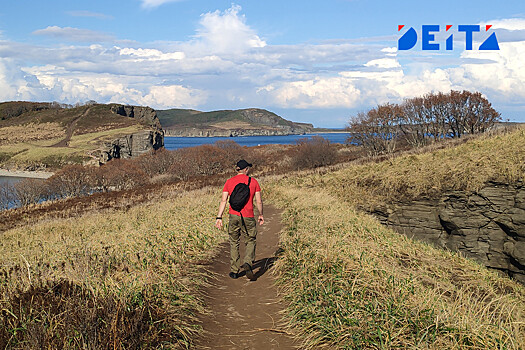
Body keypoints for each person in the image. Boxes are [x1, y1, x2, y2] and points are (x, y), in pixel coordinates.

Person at [215, 159, 264, 280]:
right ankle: (248, 261)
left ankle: (234, 271)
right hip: (248, 216)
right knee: (250, 240)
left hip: (234, 215)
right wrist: (261, 214)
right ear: (246, 169)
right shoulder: (253, 182)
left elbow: (223, 201)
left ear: (237, 170)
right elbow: (258, 201)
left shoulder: (229, 182)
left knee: (234, 242)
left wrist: (219, 217)